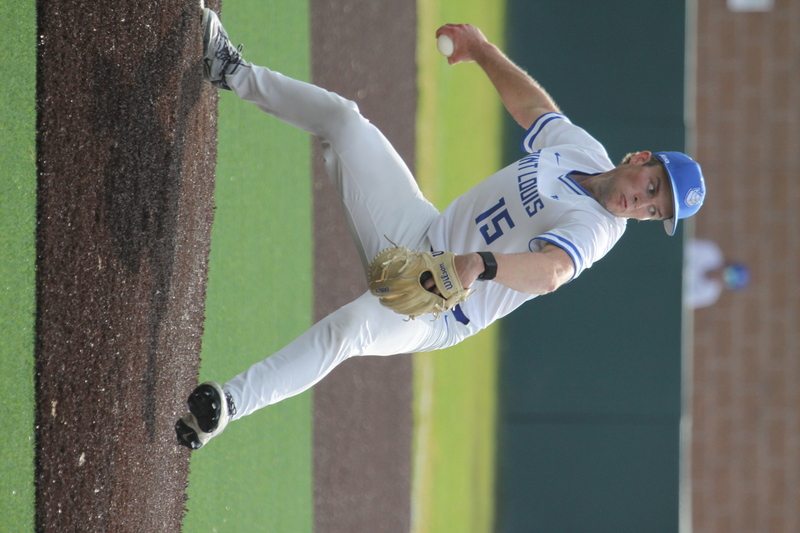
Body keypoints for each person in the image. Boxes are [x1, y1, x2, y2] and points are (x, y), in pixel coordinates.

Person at [175, 8, 707, 450]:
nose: (642, 204)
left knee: (350, 330)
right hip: (417, 227)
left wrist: (481, 264)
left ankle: (227, 405)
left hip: (437, 305)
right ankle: (229, 69)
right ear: (640, 158)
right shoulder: (583, 151)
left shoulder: (597, 230)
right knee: (345, 122)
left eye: (653, 212)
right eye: (652, 187)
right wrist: (482, 50)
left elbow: (551, 272)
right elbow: (535, 109)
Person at [684, 238, 750, 308]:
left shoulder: (709, 295)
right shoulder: (710, 251)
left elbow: (683, 300)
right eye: (728, 272)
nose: (722, 276)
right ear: (727, 264)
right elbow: (683, 248)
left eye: (728, 280)